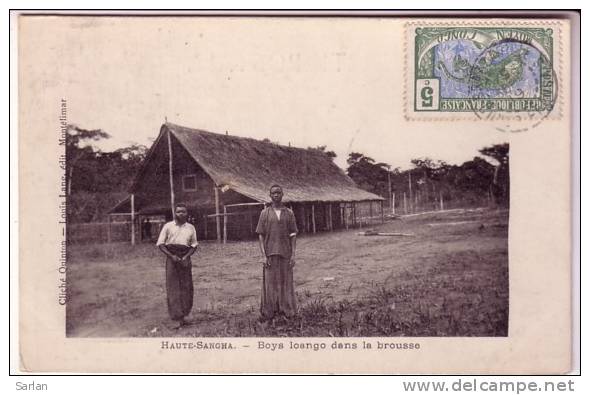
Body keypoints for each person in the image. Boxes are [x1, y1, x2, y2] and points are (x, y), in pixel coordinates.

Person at [255, 184, 298, 321]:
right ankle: (269, 312)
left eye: (279, 192)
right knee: (270, 283)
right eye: (273, 193)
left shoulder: (289, 213)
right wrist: (263, 255)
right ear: (270, 195)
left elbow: (293, 235)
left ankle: (287, 311)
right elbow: (260, 235)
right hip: (270, 253)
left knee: (286, 282)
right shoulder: (264, 213)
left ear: (283, 194)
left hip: (285, 253)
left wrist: (293, 254)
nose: (276, 195)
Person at [156, 203, 198, 329]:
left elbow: (194, 245)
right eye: (178, 211)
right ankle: (176, 317)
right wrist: (171, 256)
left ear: (187, 213)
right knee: (173, 286)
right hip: (172, 257)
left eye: (183, 212)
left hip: (185, 257)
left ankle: (184, 315)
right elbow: (161, 244)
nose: (181, 214)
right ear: (175, 213)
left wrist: (185, 257)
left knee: (186, 286)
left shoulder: (191, 228)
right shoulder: (168, 226)